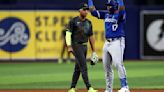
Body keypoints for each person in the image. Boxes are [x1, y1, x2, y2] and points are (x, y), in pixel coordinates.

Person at [88, 0, 130, 92]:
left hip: (117, 41)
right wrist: (90, 1)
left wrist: (120, 1)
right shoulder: (106, 14)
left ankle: (125, 86)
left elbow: (122, 8)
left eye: (110, 5)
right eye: (108, 5)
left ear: (115, 6)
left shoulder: (120, 15)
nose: (108, 7)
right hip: (107, 42)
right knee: (106, 66)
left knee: (118, 63)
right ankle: (108, 89)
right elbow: (93, 12)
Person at [66, 3, 98, 92]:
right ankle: (89, 87)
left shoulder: (89, 22)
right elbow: (68, 34)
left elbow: (91, 37)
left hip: (84, 46)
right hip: (76, 45)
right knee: (83, 66)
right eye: (84, 9)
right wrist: (69, 46)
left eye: (87, 10)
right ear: (79, 10)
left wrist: (94, 51)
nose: (86, 11)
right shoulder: (73, 21)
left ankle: (72, 88)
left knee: (78, 68)